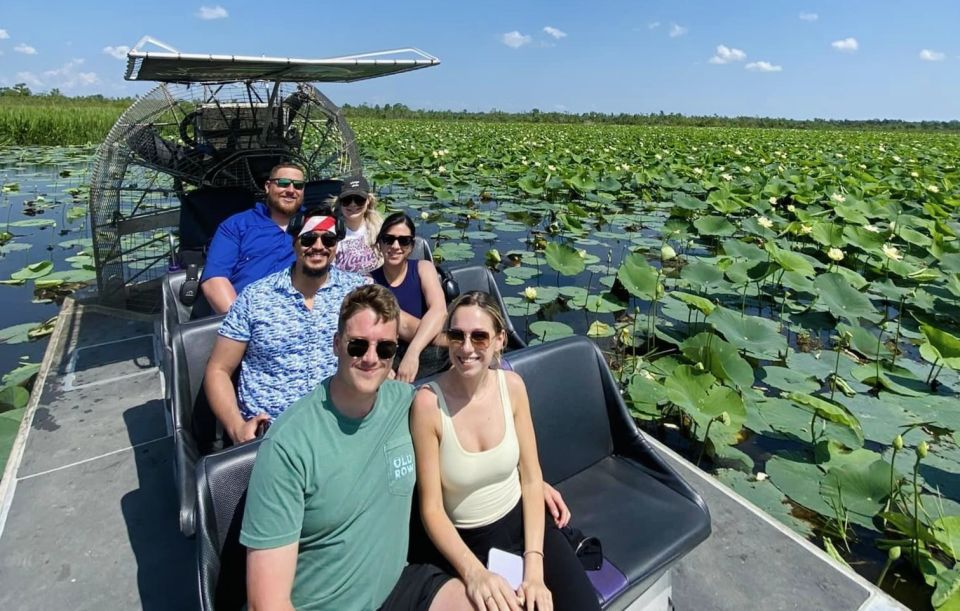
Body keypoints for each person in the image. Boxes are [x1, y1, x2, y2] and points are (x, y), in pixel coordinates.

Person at [241, 284, 470, 610]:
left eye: (385, 349)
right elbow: (268, 604)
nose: (370, 358)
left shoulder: (406, 404)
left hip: (396, 588)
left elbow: (471, 431)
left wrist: (522, 476)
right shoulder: (288, 446)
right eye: (358, 346)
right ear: (336, 344)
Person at [410, 291, 600, 611]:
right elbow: (431, 510)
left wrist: (534, 568)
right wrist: (474, 574)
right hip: (469, 543)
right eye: (457, 335)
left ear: (500, 340)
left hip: (524, 522)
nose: (467, 347)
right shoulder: (428, 405)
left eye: (479, 337)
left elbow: (530, 477)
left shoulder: (512, 388)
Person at [204, 206, 367, 444]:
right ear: (294, 241)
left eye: (329, 239)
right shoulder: (255, 298)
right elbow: (218, 370)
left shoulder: (356, 292)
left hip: (341, 427)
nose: (319, 246)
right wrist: (237, 426)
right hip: (274, 435)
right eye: (309, 238)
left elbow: (392, 330)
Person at [200, 162, 306, 314]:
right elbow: (214, 280)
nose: (291, 190)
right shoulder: (236, 225)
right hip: (244, 319)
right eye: (283, 183)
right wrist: (243, 324)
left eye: (298, 186)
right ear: (268, 186)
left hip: (298, 318)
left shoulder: (315, 224)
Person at [371, 212, 447, 383]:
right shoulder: (369, 281)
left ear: (411, 246)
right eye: (389, 239)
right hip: (389, 350)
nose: (396, 246)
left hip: (424, 347)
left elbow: (439, 311)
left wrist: (413, 353)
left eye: (403, 241)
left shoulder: (423, 268)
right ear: (380, 244)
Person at [335, 175, 384, 274]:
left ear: (368, 201)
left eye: (359, 199)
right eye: (347, 200)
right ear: (340, 203)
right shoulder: (332, 231)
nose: (353, 204)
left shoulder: (380, 229)